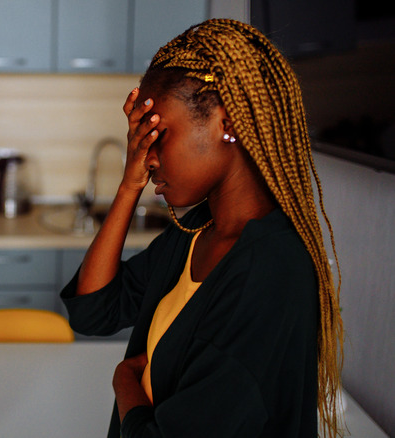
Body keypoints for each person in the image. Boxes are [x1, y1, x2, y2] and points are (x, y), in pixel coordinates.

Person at [61, 19, 343, 437]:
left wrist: (124, 379)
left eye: (159, 135)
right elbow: (93, 311)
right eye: (142, 139)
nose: (148, 156)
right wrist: (129, 185)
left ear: (226, 124)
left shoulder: (270, 272)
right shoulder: (196, 231)